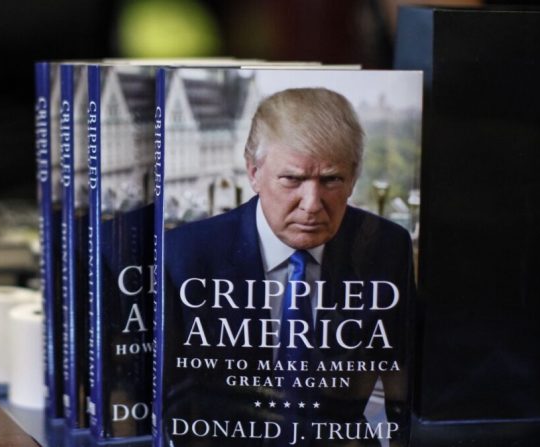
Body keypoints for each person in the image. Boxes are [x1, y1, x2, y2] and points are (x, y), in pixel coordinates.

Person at [162, 88, 415, 446]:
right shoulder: (187, 253)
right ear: (253, 173)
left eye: (331, 179)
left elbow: (400, 383)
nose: (311, 204)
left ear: (354, 178)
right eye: (292, 179)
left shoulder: (387, 246)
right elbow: (169, 397)